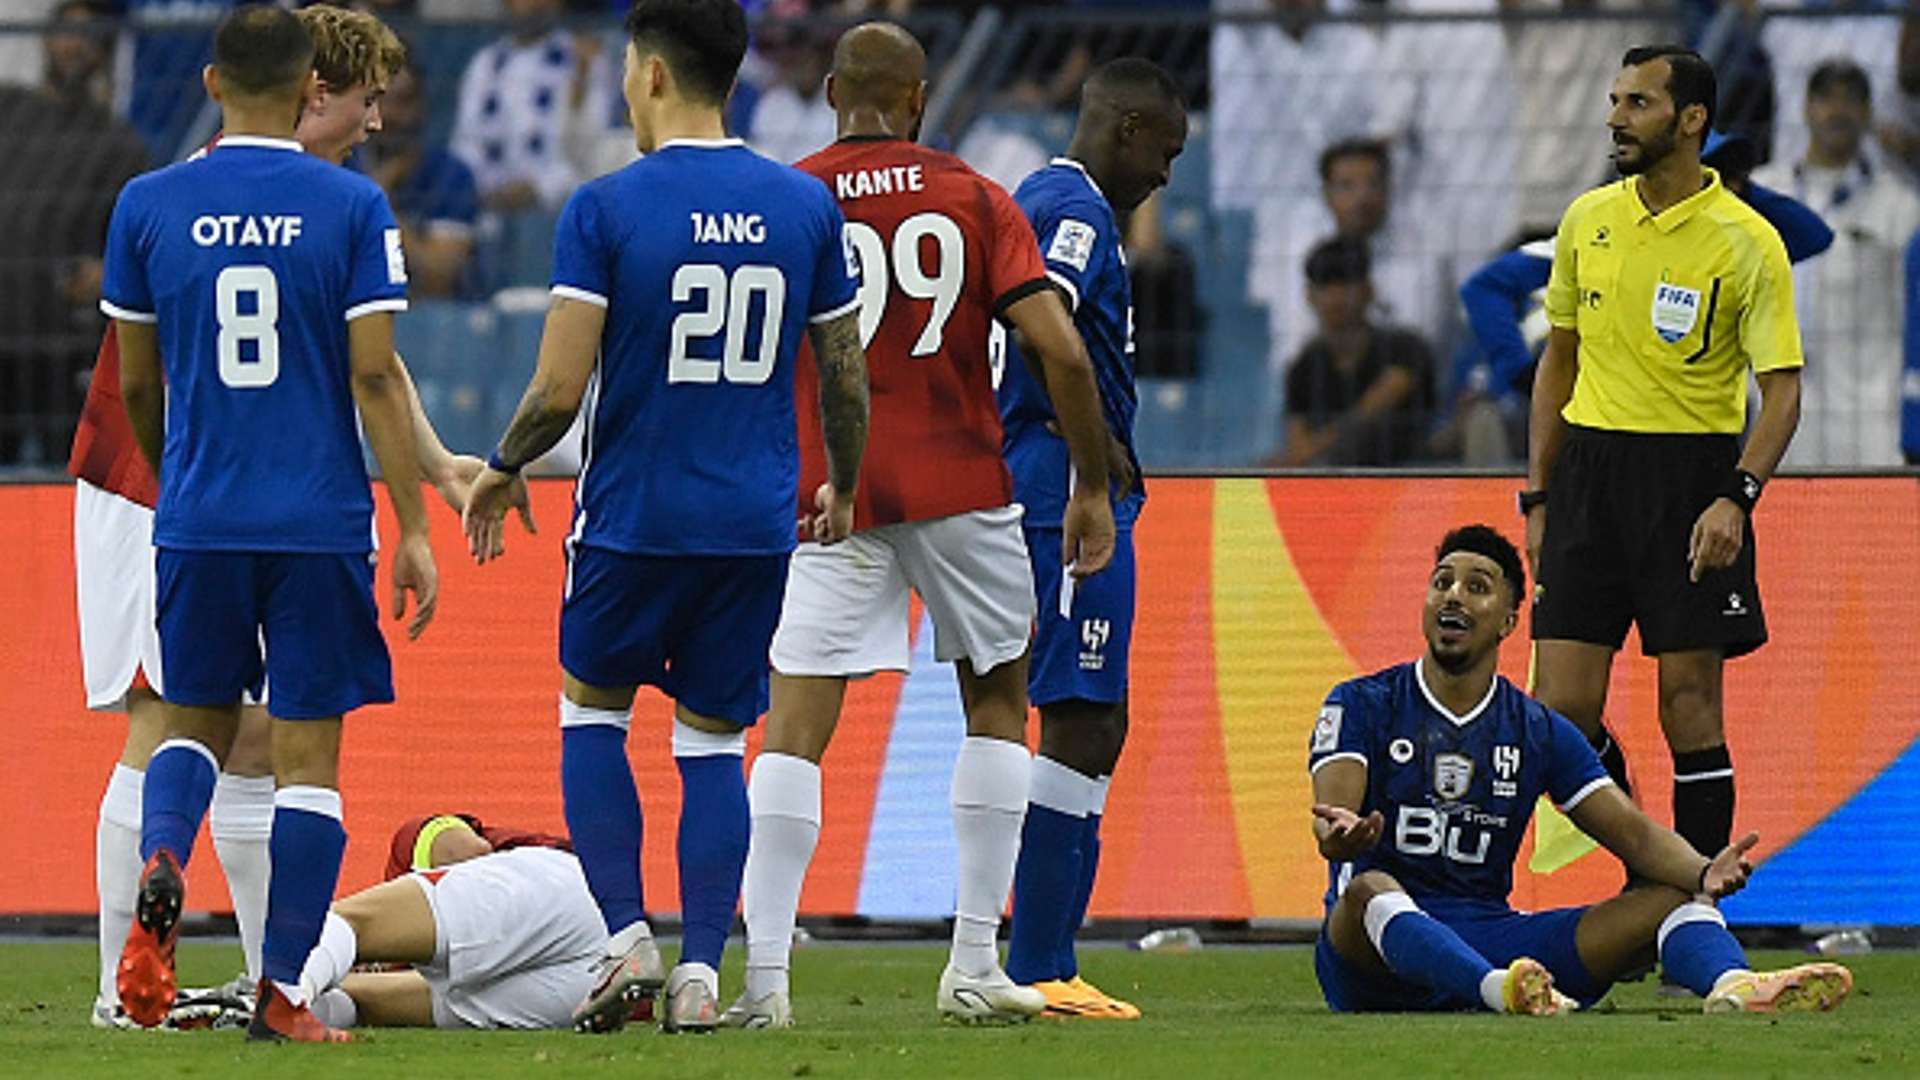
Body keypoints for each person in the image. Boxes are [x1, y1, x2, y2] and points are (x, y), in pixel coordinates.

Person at [76, 3, 527, 1033]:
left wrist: (437, 464)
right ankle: (228, 990)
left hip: (190, 492)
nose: (376, 121)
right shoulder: (342, 208)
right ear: (308, 93)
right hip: (247, 498)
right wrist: (411, 517)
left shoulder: (155, 202)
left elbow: (162, 375)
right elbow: (367, 370)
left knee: (210, 730)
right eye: (366, 99)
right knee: (260, 744)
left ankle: (187, 913)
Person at [461, 0, 869, 1037]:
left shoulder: (605, 208)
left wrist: (504, 465)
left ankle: (623, 940)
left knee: (592, 715)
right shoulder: (802, 206)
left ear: (646, 73)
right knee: (712, 746)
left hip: (634, 518)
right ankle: (698, 974)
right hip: (750, 525)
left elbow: (558, 390)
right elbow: (845, 373)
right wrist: (844, 484)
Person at [730, 21, 1116, 1030]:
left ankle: (765, 982)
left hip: (834, 495)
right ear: (917, 98)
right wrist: (1088, 482)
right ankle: (975, 966)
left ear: (827, 93)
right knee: (997, 702)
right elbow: (1063, 355)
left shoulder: (788, 196)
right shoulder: (977, 195)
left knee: (794, 729)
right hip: (961, 485)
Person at [1309, 524, 1853, 1015]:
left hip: (1491, 934)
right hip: (1370, 959)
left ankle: (1734, 987)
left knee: (1675, 897)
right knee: (1370, 890)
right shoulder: (1363, 702)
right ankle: (1499, 994)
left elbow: (1634, 836)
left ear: (1509, 620)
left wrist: (1701, 872)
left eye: (1476, 586)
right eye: (1442, 582)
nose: (1453, 595)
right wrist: (1339, 838)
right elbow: (1334, 817)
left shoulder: (1537, 729)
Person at [1524, 46, 1803, 880]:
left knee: (1688, 705)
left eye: (1637, 102)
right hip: (1589, 475)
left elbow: (1782, 393)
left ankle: (1696, 917)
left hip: (1690, 482)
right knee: (1560, 717)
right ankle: (1659, 865)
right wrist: (1539, 497)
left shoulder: (1747, 242)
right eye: (1614, 100)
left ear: (1691, 121)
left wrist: (1736, 499)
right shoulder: (1587, 220)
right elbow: (1557, 363)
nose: (1615, 117)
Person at [996, 57, 1186, 1021]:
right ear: (1125, 129)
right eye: (1165, 150)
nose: (1166, 174)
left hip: (1065, 480)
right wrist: (1091, 469)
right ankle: (1035, 965)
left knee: (1096, 717)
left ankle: (1047, 956)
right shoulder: (1068, 209)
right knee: (1075, 712)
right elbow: (1047, 331)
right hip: (1060, 488)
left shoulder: (1056, 204)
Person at [1454, 130, 1832, 465]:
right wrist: (1523, 374)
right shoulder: (1599, 234)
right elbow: (1482, 289)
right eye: (1710, 170)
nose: (1722, 184)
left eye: (1730, 176)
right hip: (1569, 398)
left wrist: (1735, 193)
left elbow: (1814, 235)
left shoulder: (1736, 252)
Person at [0, 0, 147, 463]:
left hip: (62, 343)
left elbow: (135, 244)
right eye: (67, 32)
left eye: (90, 36)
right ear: (46, 37)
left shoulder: (120, 143)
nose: (75, 46)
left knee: (66, 479)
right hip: (4, 325)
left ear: (104, 52)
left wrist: (107, 274)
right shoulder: (8, 109)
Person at [1754, 59, 1920, 468]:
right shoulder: (1762, 191)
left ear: (1868, 113)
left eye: (1851, 100)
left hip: (1869, 413)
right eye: (1827, 97)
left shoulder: (1900, 205)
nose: (1838, 110)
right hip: (1774, 406)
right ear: (1806, 107)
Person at [294, 814, 603, 1031]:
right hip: (592, 970)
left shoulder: (411, 848)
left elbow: (469, 849)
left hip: (562, 892)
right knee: (357, 1002)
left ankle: (282, 990)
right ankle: (274, 999)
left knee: (344, 926)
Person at [1270, 236, 1434, 468]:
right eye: (1325, 285)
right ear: (1309, 295)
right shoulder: (1304, 367)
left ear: (1369, 290)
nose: (1336, 297)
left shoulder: (1405, 348)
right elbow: (1298, 446)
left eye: (1346, 283)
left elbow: (1371, 411)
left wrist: (1311, 449)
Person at [449, 0, 613, 211]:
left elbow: (591, 149)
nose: (537, 4)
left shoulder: (585, 61)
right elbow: (464, 143)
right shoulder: (485, 63)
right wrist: (484, 190)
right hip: (485, 206)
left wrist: (539, 189)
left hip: (557, 210)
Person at [364, 56, 482, 299]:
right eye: (381, 100)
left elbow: (437, 278)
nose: (390, 115)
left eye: (403, 101)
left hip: (430, 329)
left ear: (421, 106)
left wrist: (377, 200)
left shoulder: (450, 175)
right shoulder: (339, 167)